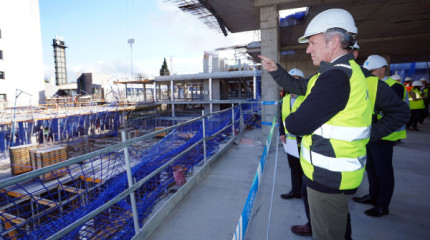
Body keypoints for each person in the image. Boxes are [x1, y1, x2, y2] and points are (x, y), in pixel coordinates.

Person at [260, 8, 372, 240]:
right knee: (338, 226)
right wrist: (276, 71)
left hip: (329, 175)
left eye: (312, 42)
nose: (308, 49)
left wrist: (291, 119)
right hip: (334, 172)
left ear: (334, 42)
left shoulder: (335, 78)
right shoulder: (342, 73)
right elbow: (300, 87)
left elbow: (296, 124)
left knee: (329, 234)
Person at [353, 54, 410, 217]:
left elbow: (391, 112)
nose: (369, 73)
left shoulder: (395, 86)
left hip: (385, 136)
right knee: (370, 168)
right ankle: (372, 196)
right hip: (370, 135)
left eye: (372, 70)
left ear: (383, 69)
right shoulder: (370, 84)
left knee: (383, 171)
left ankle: (382, 205)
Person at [279, 68, 305, 200]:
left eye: (295, 80)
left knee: (305, 169)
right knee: (294, 167)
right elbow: (281, 118)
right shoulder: (286, 98)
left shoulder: (307, 98)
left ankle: (306, 194)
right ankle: (296, 191)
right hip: (289, 141)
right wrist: (282, 133)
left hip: (303, 141)